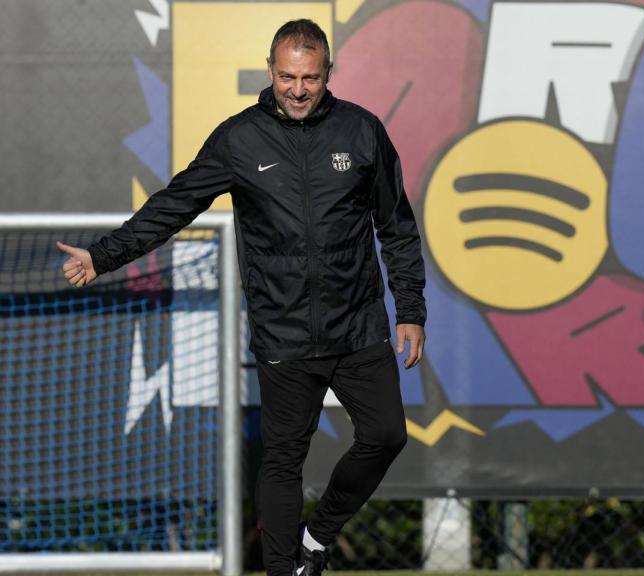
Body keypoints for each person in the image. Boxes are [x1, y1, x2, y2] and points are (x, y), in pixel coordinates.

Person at [56, 19, 425, 576]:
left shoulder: (363, 131)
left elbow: (395, 226)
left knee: (386, 435)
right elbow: (174, 205)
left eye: (310, 78)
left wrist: (411, 310)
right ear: (270, 71)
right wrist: (103, 256)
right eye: (286, 77)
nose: (298, 89)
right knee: (282, 461)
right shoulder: (240, 138)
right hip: (284, 334)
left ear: (329, 73)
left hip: (358, 328)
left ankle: (318, 538)